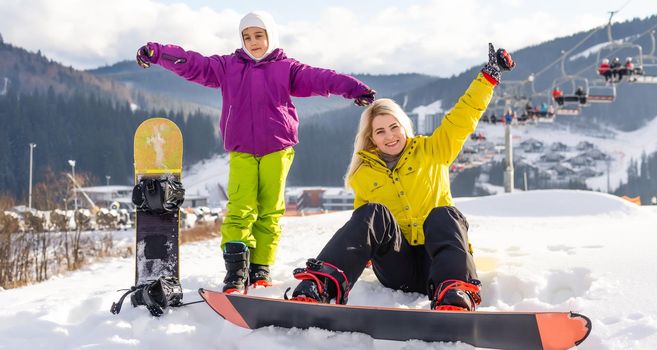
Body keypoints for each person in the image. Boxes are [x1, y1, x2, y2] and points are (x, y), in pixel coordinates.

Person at [135, 11, 375, 294]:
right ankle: (236, 270)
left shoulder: (287, 68)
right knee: (240, 208)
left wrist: (354, 89)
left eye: (258, 35)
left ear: (270, 36)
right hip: (241, 150)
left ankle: (260, 267)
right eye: (247, 37)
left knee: (270, 210)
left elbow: (323, 79)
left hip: (278, 148)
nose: (253, 42)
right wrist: (158, 52)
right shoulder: (228, 66)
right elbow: (193, 63)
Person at [285, 44, 515, 312]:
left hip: (439, 263)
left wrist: (487, 78)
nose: (390, 136)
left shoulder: (433, 150)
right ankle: (321, 285)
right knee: (372, 212)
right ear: (371, 138)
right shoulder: (363, 174)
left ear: (404, 126)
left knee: (445, 214)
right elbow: (363, 227)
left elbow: (462, 117)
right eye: (380, 131)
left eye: (394, 127)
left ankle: (455, 293)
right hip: (397, 268)